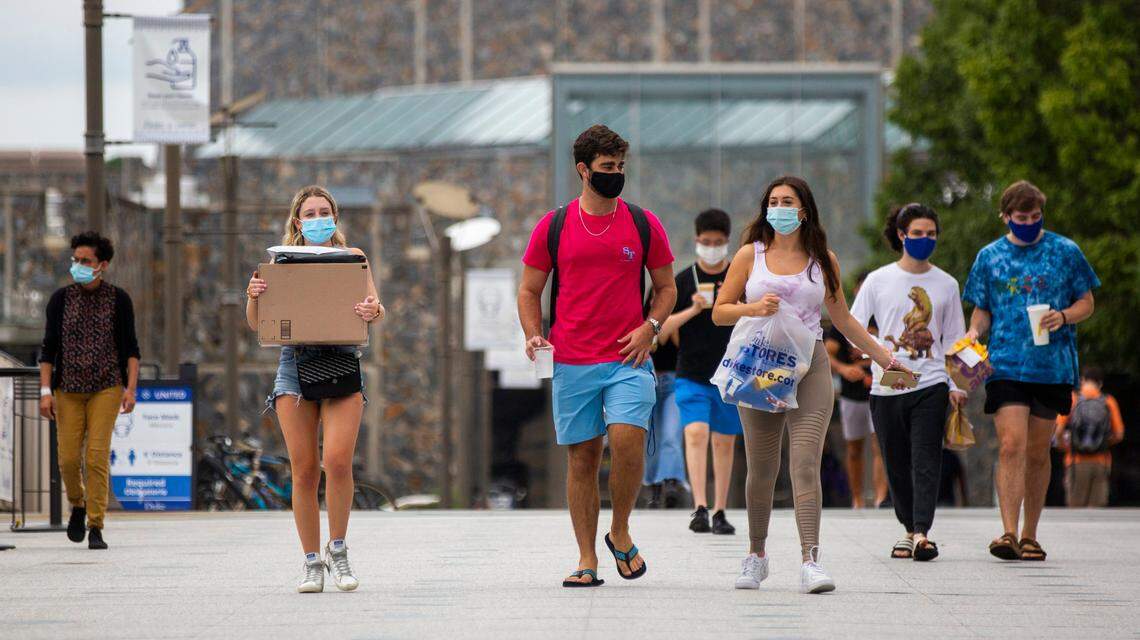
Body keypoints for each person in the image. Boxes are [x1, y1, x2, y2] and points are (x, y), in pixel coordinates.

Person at [712, 176, 914, 594]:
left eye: (788, 201)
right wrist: (753, 307)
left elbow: (843, 320)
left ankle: (810, 560)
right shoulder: (751, 255)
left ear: (804, 210)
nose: (780, 208)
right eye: (773, 201)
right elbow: (720, 312)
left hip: (810, 367)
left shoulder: (823, 260)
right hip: (760, 370)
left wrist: (886, 360)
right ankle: (756, 556)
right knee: (762, 469)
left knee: (805, 463)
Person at [517, 124, 676, 587]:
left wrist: (650, 328)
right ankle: (587, 558)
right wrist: (533, 334)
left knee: (627, 439)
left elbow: (666, 288)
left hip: (629, 359)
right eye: (608, 168)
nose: (617, 175)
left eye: (621, 167)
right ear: (584, 170)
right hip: (571, 360)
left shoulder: (643, 223)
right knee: (583, 458)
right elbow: (529, 289)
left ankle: (620, 528)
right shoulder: (556, 225)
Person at [245, 185, 385, 592]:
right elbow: (257, 322)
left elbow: (375, 306)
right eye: (311, 213)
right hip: (294, 367)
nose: (319, 218)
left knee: (338, 462)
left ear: (335, 218)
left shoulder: (353, 258)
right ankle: (311, 562)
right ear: (297, 221)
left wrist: (371, 310)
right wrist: (254, 296)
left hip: (342, 363)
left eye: (325, 212)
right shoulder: (279, 261)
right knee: (304, 469)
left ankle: (337, 550)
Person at [963, 180, 1099, 562]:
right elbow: (982, 307)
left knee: (1039, 451)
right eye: (1021, 218)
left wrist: (1065, 315)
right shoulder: (990, 257)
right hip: (1005, 362)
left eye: (1035, 217)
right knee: (1011, 445)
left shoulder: (1064, 251)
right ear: (1006, 216)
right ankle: (1007, 531)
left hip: (1052, 364)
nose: (1029, 223)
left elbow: (1087, 301)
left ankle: (1030, 534)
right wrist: (974, 331)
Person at [850, 203, 968, 562]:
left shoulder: (946, 284)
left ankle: (922, 532)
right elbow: (853, 327)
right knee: (895, 461)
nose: (924, 239)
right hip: (886, 386)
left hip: (930, 384)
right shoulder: (878, 280)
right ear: (901, 235)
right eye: (917, 233)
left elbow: (954, 340)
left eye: (931, 234)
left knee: (926, 459)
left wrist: (956, 384)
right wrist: (873, 352)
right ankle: (906, 529)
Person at [38, 232, 140, 550]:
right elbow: (48, 349)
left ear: (102, 265)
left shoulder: (118, 300)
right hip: (68, 389)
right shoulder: (60, 300)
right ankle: (77, 504)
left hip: (106, 388)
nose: (79, 266)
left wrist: (131, 390)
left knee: (95, 456)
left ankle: (95, 524)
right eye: (76, 260)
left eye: (86, 261)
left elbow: (131, 350)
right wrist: (45, 391)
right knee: (68, 458)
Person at [658, 208, 740, 535]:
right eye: (706, 241)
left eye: (718, 242)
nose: (712, 247)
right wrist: (693, 308)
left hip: (730, 375)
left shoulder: (738, 277)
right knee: (695, 434)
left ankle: (720, 508)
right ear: (696, 241)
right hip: (691, 372)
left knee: (724, 441)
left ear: (727, 242)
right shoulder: (682, 280)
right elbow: (662, 331)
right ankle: (700, 507)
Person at [824, 272, 888, 509]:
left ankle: (881, 497)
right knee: (854, 447)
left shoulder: (884, 321)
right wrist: (844, 369)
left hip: (880, 392)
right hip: (852, 395)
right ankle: (857, 498)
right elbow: (827, 353)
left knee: (880, 445)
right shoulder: (843, 323)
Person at [1054, 366, 1124, 508]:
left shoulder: (1073, 400)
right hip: (1101, 461)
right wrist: (1102, 443)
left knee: (1075, 509)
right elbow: (1119, 434)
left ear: (1082, 380)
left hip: (1075, 460)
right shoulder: (1108, 401)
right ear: (1100, 383)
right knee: (1096, 510)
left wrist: (1066, 447)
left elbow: (1058, 431)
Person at [641, 321, 687, 509]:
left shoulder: (678, 314)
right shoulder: (641, 313)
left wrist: (671, 323)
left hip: (673, 381)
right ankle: (654, 484)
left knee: (670, 434)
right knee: (651, 437)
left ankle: (670, 482)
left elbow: (683, 346)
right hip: (646, 380)